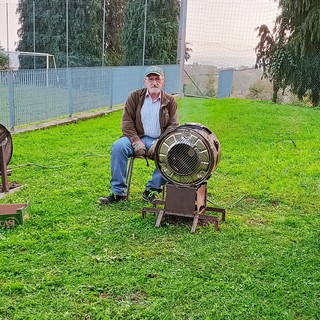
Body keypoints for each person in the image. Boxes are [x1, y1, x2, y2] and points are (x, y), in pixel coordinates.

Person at [99, 66, 179, 205]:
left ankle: (151, 190)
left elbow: (174, 125)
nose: (154, 82)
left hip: (159, 139)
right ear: (145, 81)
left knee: (172, 154)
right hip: (136, 137)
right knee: (118, 147)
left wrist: (160, 142)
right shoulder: (135, 96)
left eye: (157, 79)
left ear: (163, 81)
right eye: (151, 79)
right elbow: (127, 122)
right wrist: (136, 140)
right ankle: (118, 192)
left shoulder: (170, 100)